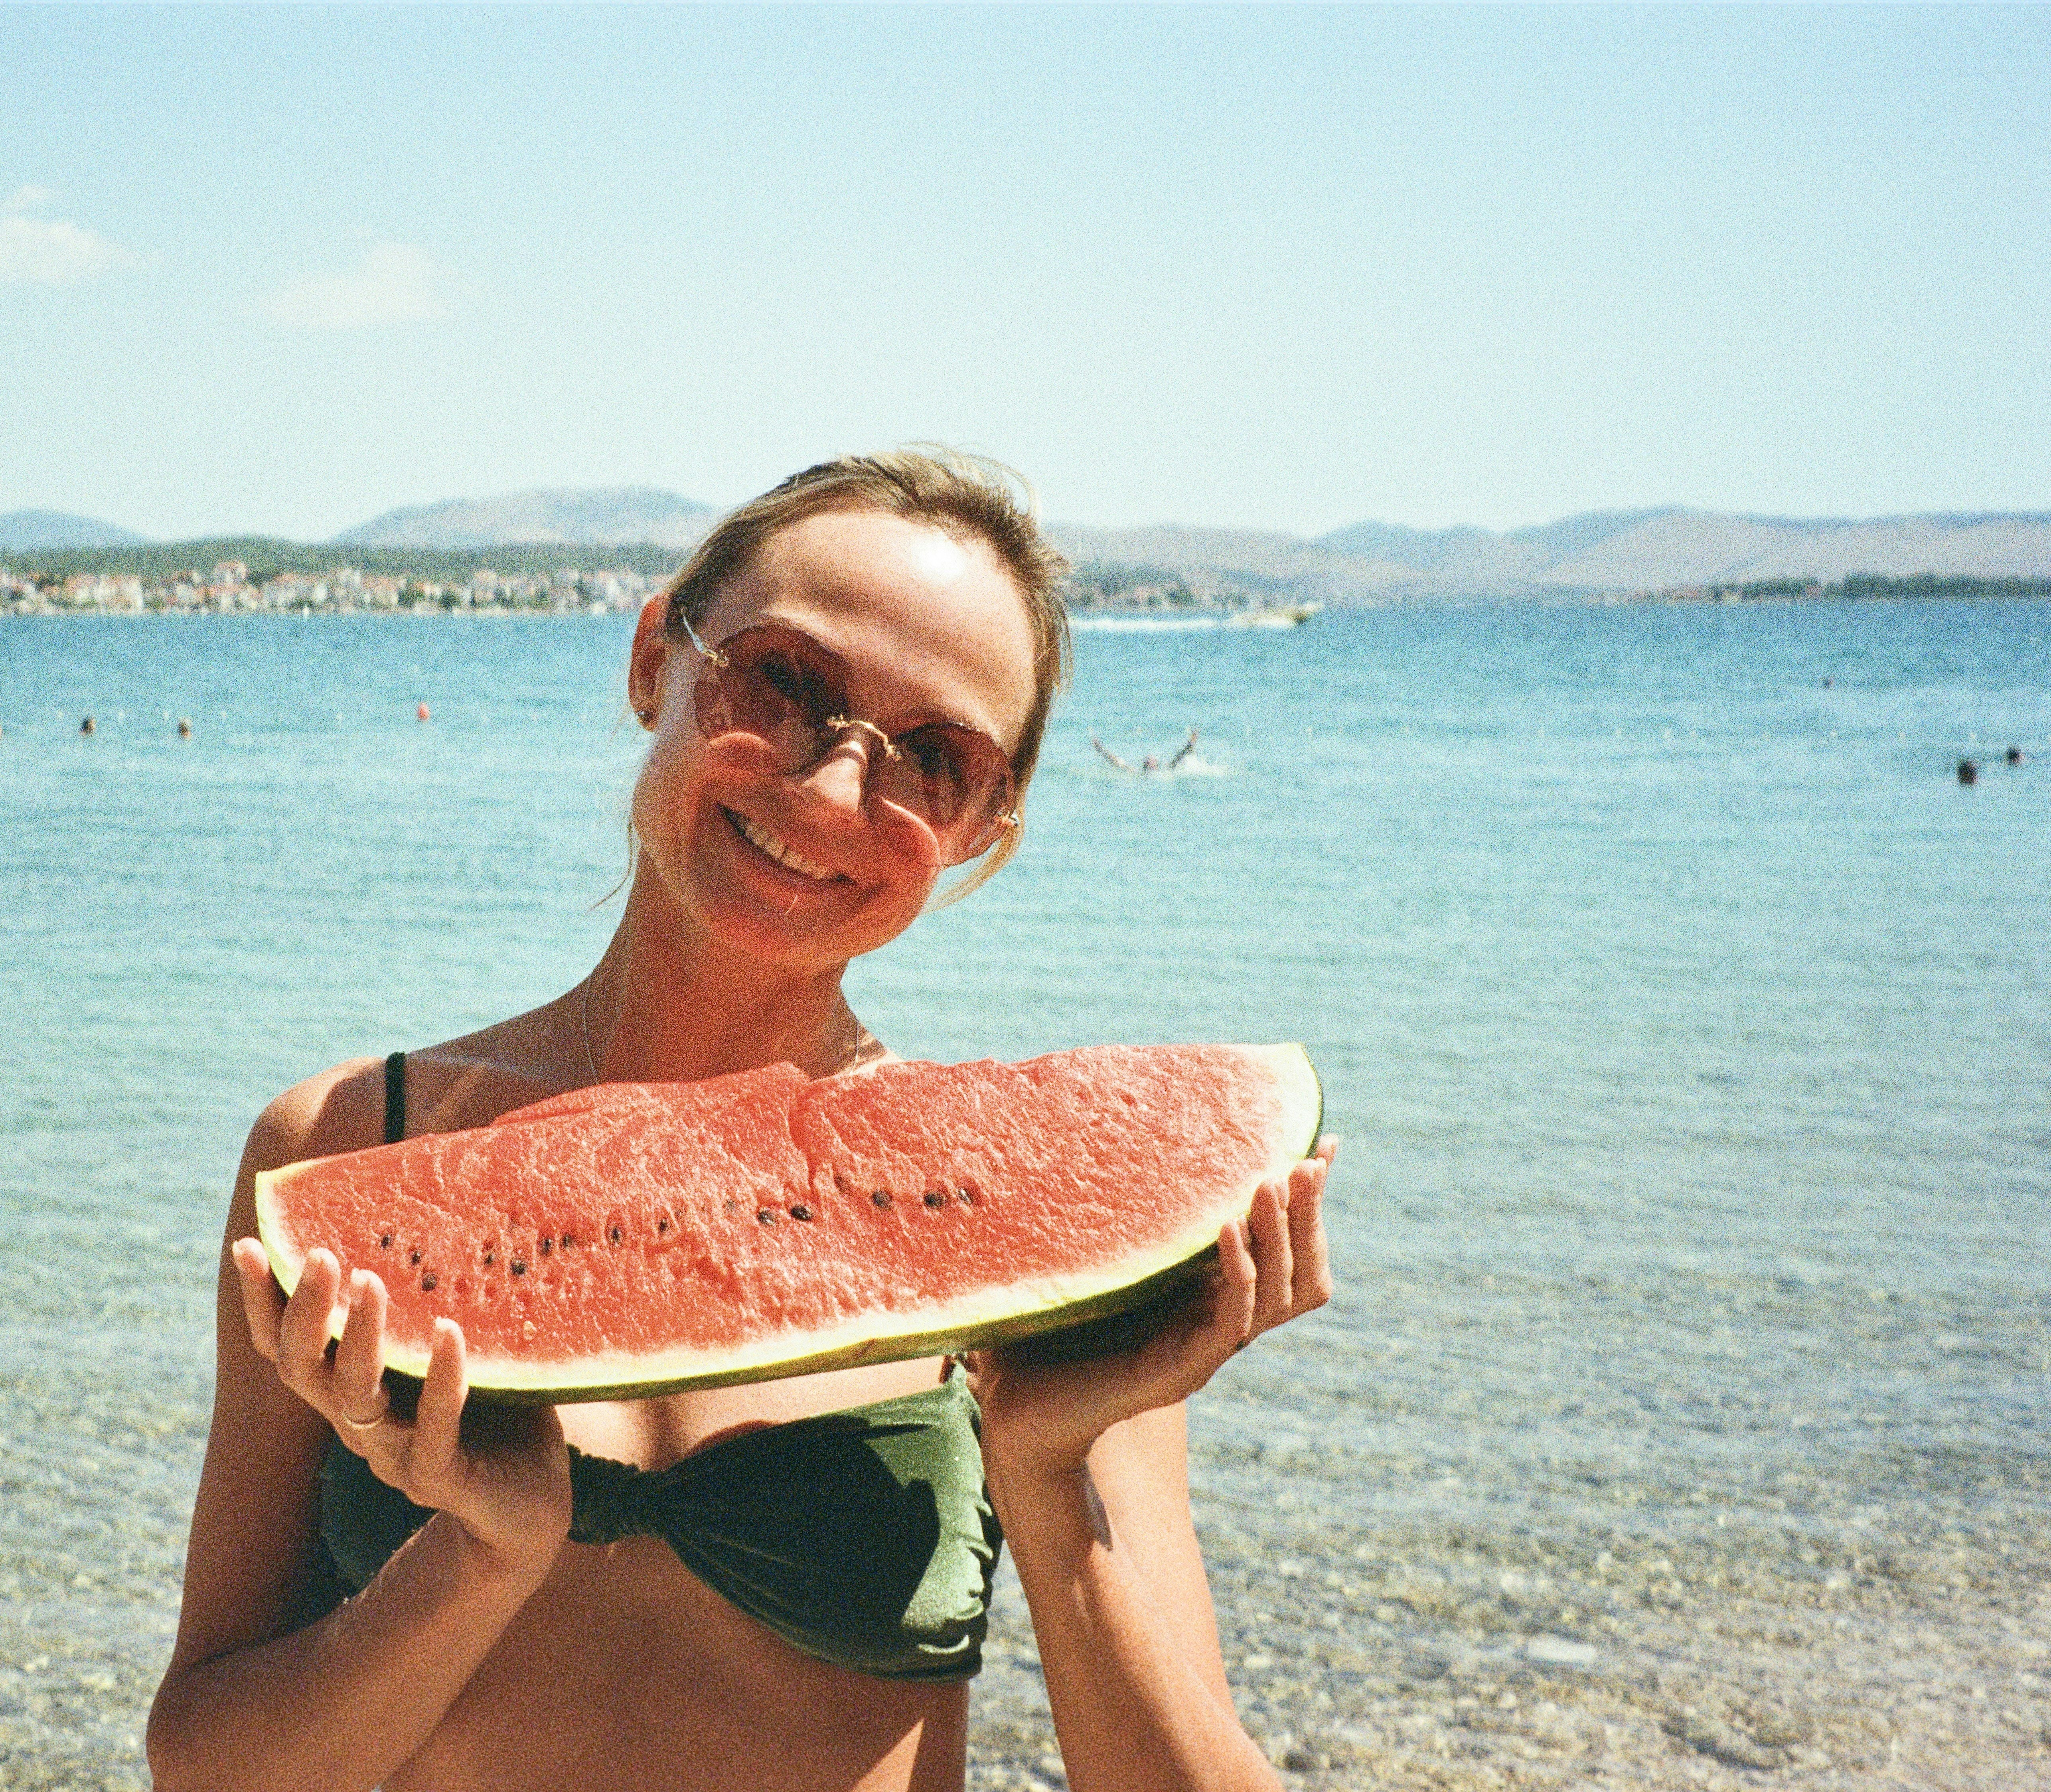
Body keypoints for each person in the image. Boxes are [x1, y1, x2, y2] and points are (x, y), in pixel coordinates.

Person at [149, 449, 1338, 1792]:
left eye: (935, 758)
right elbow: (204, 1770)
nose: (832, 790)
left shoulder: (1030, 1244)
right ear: (658, 655)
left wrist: (1048, 1482)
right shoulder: (343, 1145)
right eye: (782, 682)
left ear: (985, 823)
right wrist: (475, 1563)